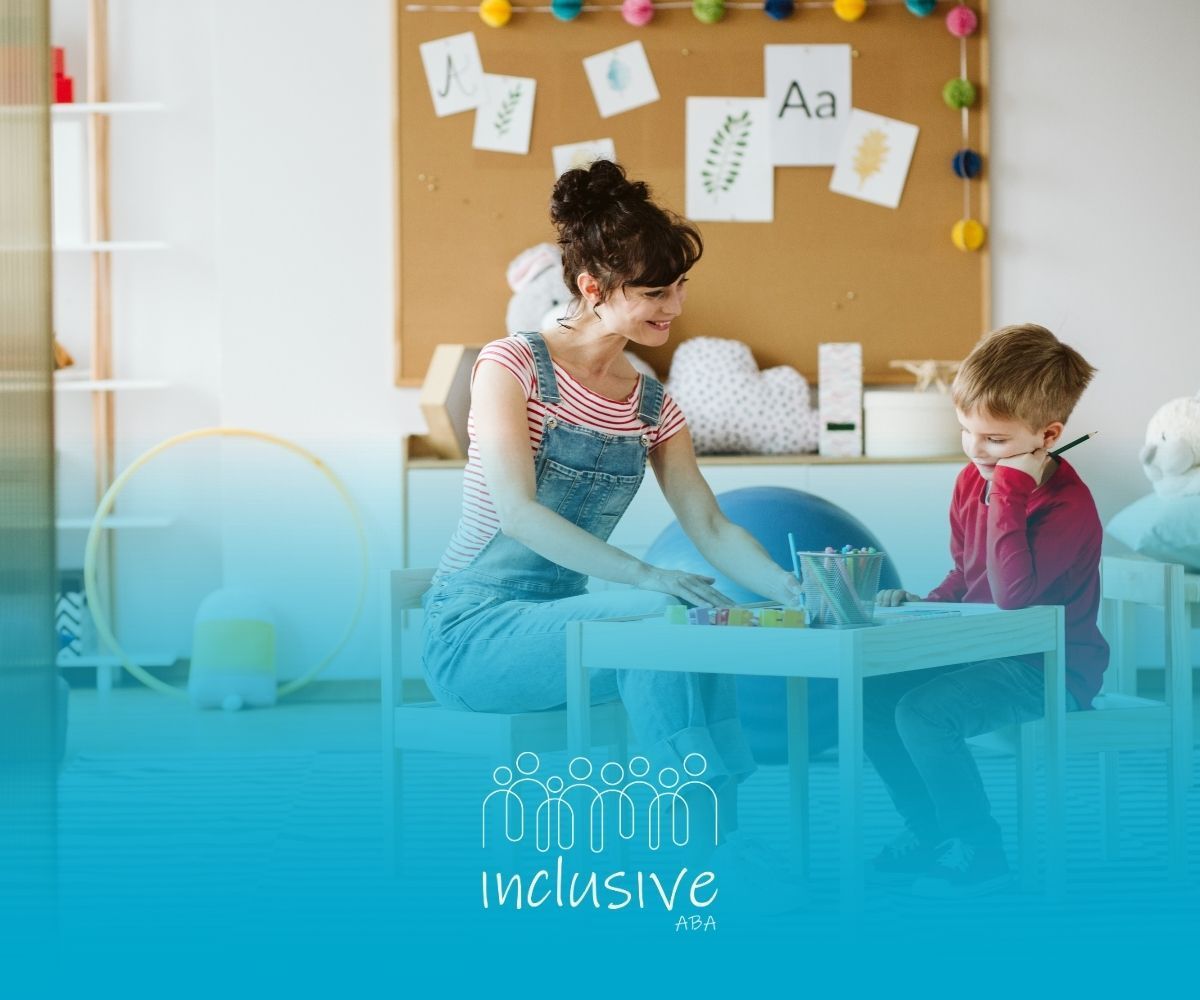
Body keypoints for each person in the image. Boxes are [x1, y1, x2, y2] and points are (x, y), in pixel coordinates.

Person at [421, 160, 803, 860]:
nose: (674, 307)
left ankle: (720, 837)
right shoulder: (512, 368)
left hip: (567, 626)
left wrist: (794, 590)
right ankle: (703, 848)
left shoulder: (652, 404)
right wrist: (645, 575)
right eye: (655, 292)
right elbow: (518, 514)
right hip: (474, 631)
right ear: (593, 288)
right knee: (661, 616)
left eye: (680, 287)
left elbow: (710, 525)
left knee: (697, 621)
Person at [866, 323, 1108, 898]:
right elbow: (970, 574)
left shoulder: (1068, 506)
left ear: (1047, 435)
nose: (976, 450)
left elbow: (1013, 599)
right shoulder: (971, 480)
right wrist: (926, 604)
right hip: (984, 651)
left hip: (1046, 667)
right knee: (873, 695)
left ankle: (981, 846)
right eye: (967, 431)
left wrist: (1007, 492)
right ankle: (928, 830)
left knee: (924, 713)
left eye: (996, 440)